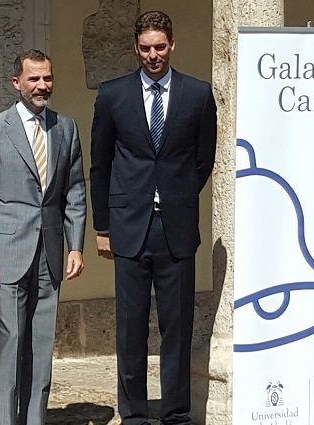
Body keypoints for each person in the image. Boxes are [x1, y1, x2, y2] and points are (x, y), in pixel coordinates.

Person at [89, 11, 217, 425]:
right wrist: (103, 226)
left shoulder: (197, 95)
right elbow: (100, 164)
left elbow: (203, 160)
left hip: (175, 229)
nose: (153, 55)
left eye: (159, 47)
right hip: (128, 229)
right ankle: (135, 416)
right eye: (145, 48)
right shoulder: (112, 95)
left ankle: (176, 414)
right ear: (136, 48)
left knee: (176, 329)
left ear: (172, 45)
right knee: (130, 330)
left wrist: (176, 196)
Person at [0, 49, 87, 425]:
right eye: (34, 78)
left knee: (42, 346)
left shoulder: (65, 128)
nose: (42, 85)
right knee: (11, 344)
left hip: (50, 251)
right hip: (5, 255)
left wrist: (76, 245)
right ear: (16, 82)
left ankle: (35, 419)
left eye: (47, 78)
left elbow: (75, 191)